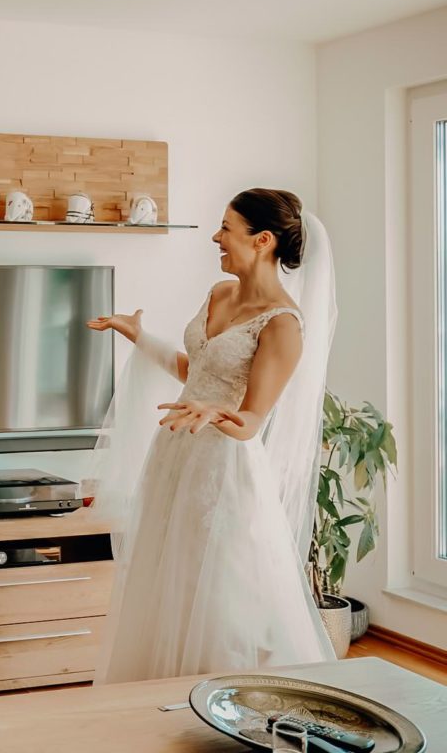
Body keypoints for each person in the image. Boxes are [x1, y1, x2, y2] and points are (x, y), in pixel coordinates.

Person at [86, 188, 337, 683]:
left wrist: (214, 412)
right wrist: (137, 334)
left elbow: (250, 422)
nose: (216, 237)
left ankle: (226, 701)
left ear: (262, 240)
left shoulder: (283, 325)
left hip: (223, 473)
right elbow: (194, 370)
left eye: (226, 227)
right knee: (167, 582)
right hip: (176, 453)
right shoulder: (220, 294)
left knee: (218, 596)